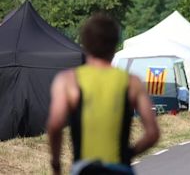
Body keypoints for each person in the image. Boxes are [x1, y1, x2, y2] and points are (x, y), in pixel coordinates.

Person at [47, 13, 160, 175]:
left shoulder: (68, 80)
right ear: (115, 45)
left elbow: (55, 125)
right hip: (120, 169)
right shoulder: (132, 82)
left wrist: (56, 165)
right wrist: (128, 154)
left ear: (84, 44)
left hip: (85, 169)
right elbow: (153, 133)